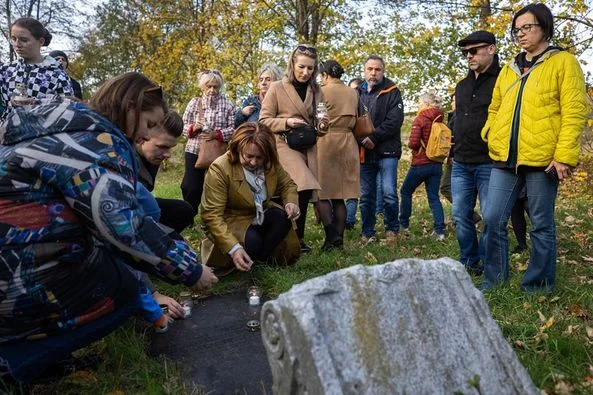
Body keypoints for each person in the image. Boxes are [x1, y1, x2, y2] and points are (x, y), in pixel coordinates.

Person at [0, 74, 217, 384]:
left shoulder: (59, 130)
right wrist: (192, 271)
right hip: (14, 276)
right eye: (149, 123)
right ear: (130, 107)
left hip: (14, 260)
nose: (146, 133)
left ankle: (44, 353)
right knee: (126, 289)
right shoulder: (95, 141)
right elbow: (121, 224)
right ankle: (16, 362)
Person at [481, 3, 588, 292]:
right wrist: (491, 132)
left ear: (544, 27)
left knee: (540, 224)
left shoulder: (563, 62)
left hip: (544, 159)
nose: (520, 34)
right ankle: (494, 282)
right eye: (516, 30)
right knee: (492, 219)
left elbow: (574, 110)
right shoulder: (509, 68)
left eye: (527, 27)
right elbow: (495, 107)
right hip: (505, 158)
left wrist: (564, 156)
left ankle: (538, 286)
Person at [201, 122, 300, 273]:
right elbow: (212, 215)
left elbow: (287, 185)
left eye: (259, 158)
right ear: (238, 148)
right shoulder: (220, 168)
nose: (254, 162)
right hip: (232, 220)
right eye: (249, 156)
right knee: (254, 242)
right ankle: (251, 259)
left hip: (259, 215)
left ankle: (258, 262)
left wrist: (291, 203)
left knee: (283, 218)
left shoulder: (270, 164)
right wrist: (234, 248)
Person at [259, 44, 329, 253]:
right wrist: (287, 122)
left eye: (310, 68)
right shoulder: (277, 87)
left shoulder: (316, 91)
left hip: (307, 146)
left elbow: (322, 124)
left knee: (303, 192)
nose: (305, 72)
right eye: (301, 67)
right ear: (292, 64)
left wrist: (324, 124)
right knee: (302, 185)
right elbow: (263, 121)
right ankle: (292, 237)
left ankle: (296, 237)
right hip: (282, 144)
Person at [451, 30, 500, 275]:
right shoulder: (462, 85)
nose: (468, 56)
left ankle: (487, 261)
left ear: (491, 49)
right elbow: (458, 119)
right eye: (465, 52)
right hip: (460, 161)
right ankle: (470, 262)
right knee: (460, 215)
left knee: (491, 218)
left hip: (489, 162)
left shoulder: (504, 80)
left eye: (473, 50)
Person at [357, 55, 404, 244]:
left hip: (387, 151)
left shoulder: (392, 91)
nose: (373, 73)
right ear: (364, 70)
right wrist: (362, 139)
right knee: (366, 195)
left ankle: (392, 229)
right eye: (370, 69)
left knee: (389, 192)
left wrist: (373, 138)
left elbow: (395, 121)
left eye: (377, 69)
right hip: (364, 151)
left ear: (383, 71)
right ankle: (367, 232)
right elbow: (351, 120)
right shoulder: (356, 93)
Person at [316, 60, 359, 250]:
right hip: (349, 142)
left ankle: (330, 236)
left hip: (327, 141)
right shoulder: (353, 92)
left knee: (322, 193)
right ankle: (339, 237)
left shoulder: (321, 92)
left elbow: (319, 119)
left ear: (325, 75)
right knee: (341, 194)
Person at [181, 70, 236, 213]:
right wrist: (194, 127)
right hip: (194, 149)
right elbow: (182, 127)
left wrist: (216, 134)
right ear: (202, 86)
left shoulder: (227, 104)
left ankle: (215, 216)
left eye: (215, 86)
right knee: (191, 186)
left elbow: (234, 129)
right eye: (208, 86)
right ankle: (188, 215)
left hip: (217, 152)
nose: (212, 90)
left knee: (217, 186)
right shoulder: (195, 102)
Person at [0, 17, 73, 121]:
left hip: (42, 134)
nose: (17, 44)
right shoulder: (6, 70)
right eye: (13, 38)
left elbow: (69, 109)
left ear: (41, 41)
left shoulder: (57, 75)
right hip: (7, 133)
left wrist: (37, 103)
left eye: (24, 40)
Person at [136, 110, 196, 236]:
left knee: (184, 211)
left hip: (139, 208)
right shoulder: (120, 159)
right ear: (141, 137)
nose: (167, 154)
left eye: (170, 147)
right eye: (162, 146)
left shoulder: (151, 157)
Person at [399, 92, 446, 241]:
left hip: (421, 163)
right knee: (433, 197)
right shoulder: (440, 119)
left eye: (419, 103)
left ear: (426, 104)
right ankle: (439, 231)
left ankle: (404, 226)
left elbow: (413, 143)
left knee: (405, 191)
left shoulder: (420, 118)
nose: (418, 106)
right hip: (436, 163)